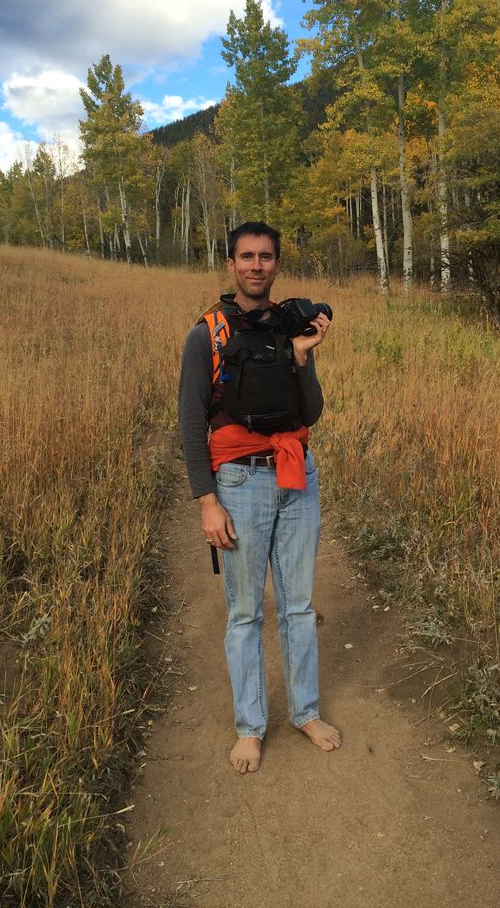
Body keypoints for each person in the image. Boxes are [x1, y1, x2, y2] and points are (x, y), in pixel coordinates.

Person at [178, 220, 341, 774]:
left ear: (276, 264)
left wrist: (304, 358)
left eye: (265, 256)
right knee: (245, 613)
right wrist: (207, 501)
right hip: (240, 484)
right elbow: (190, 421)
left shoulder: (290, 326)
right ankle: (250, 727)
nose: (256, 265)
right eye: (246, 256)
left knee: (297, 605)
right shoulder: (208, 334)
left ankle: (306, 712)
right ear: (230, 263)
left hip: (298, 476)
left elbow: (311, 411)